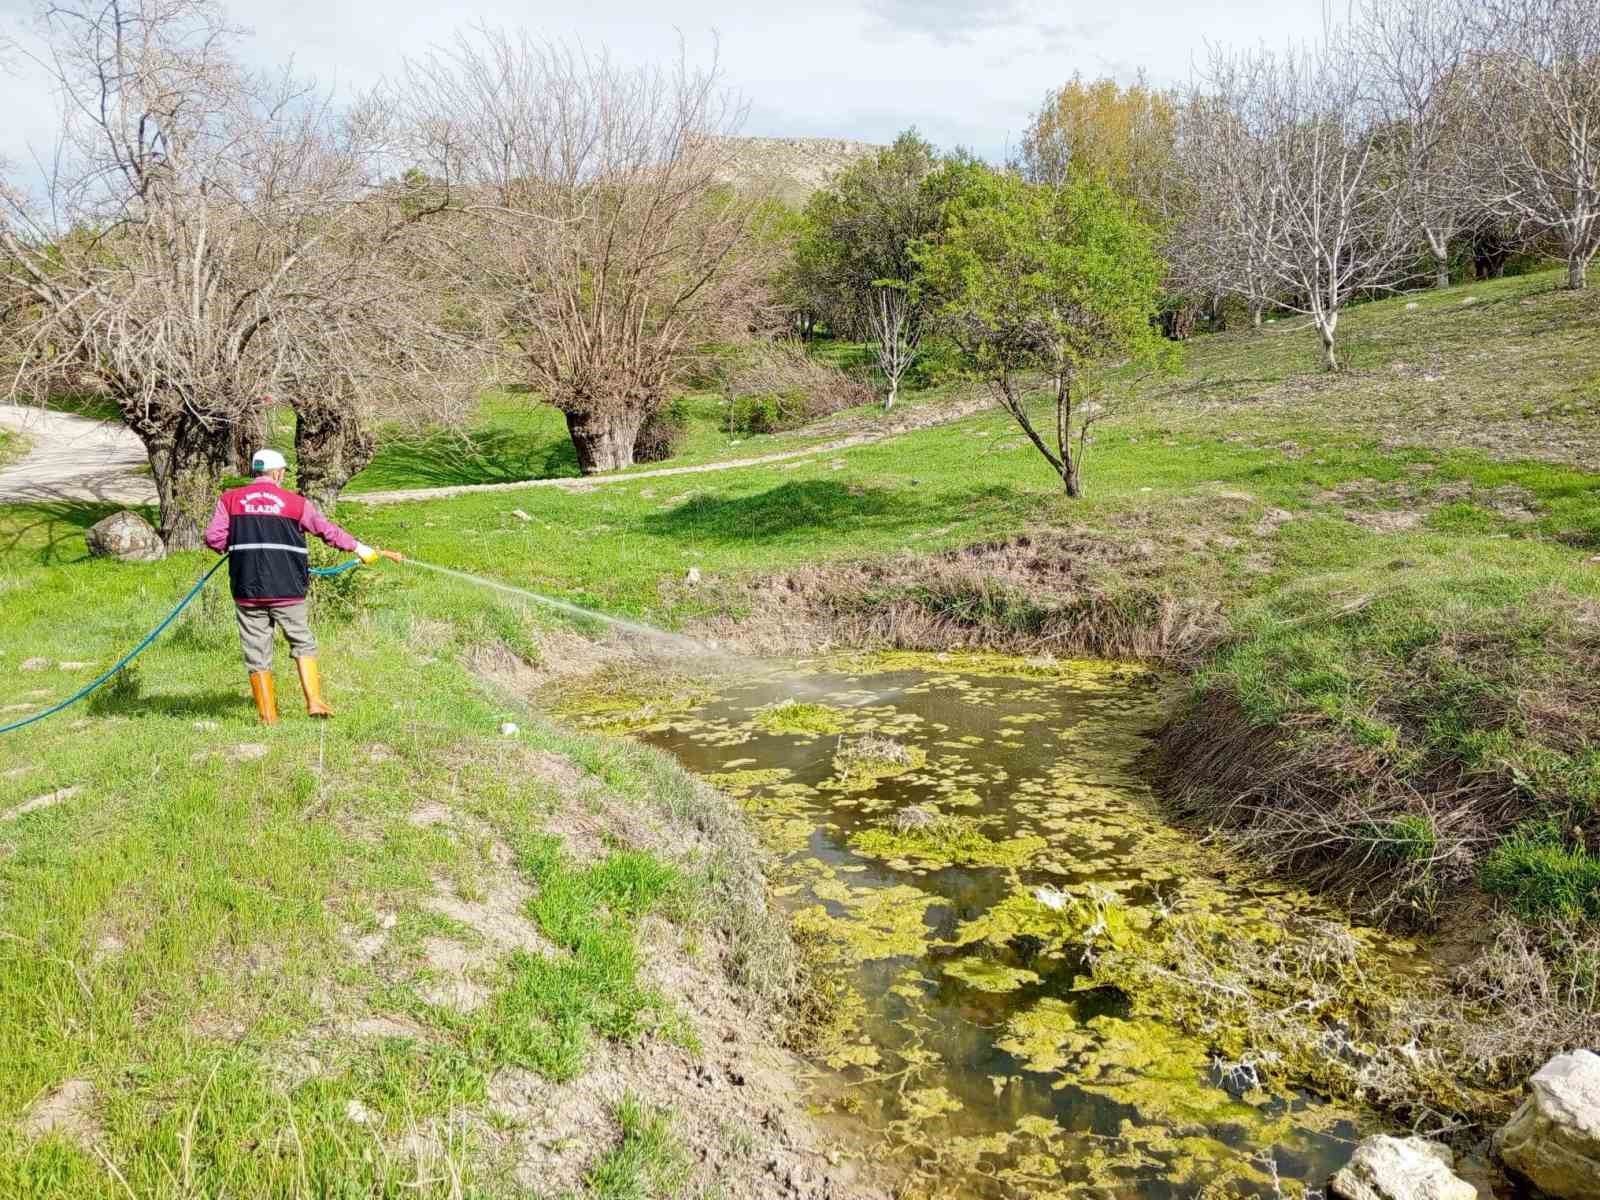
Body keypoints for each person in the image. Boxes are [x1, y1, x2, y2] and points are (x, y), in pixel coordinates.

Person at [203, 449, 401, 724]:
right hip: (288, 588)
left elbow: (214, 539)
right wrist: (360, 548)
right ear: (277, 473)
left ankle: (268, 717)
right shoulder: (295, 503)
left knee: (256, 651)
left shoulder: (230, 499)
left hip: (247, 589)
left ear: (255, 471)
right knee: (302, 642)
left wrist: (239, 544)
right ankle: (315, 701)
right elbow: (326, 531)